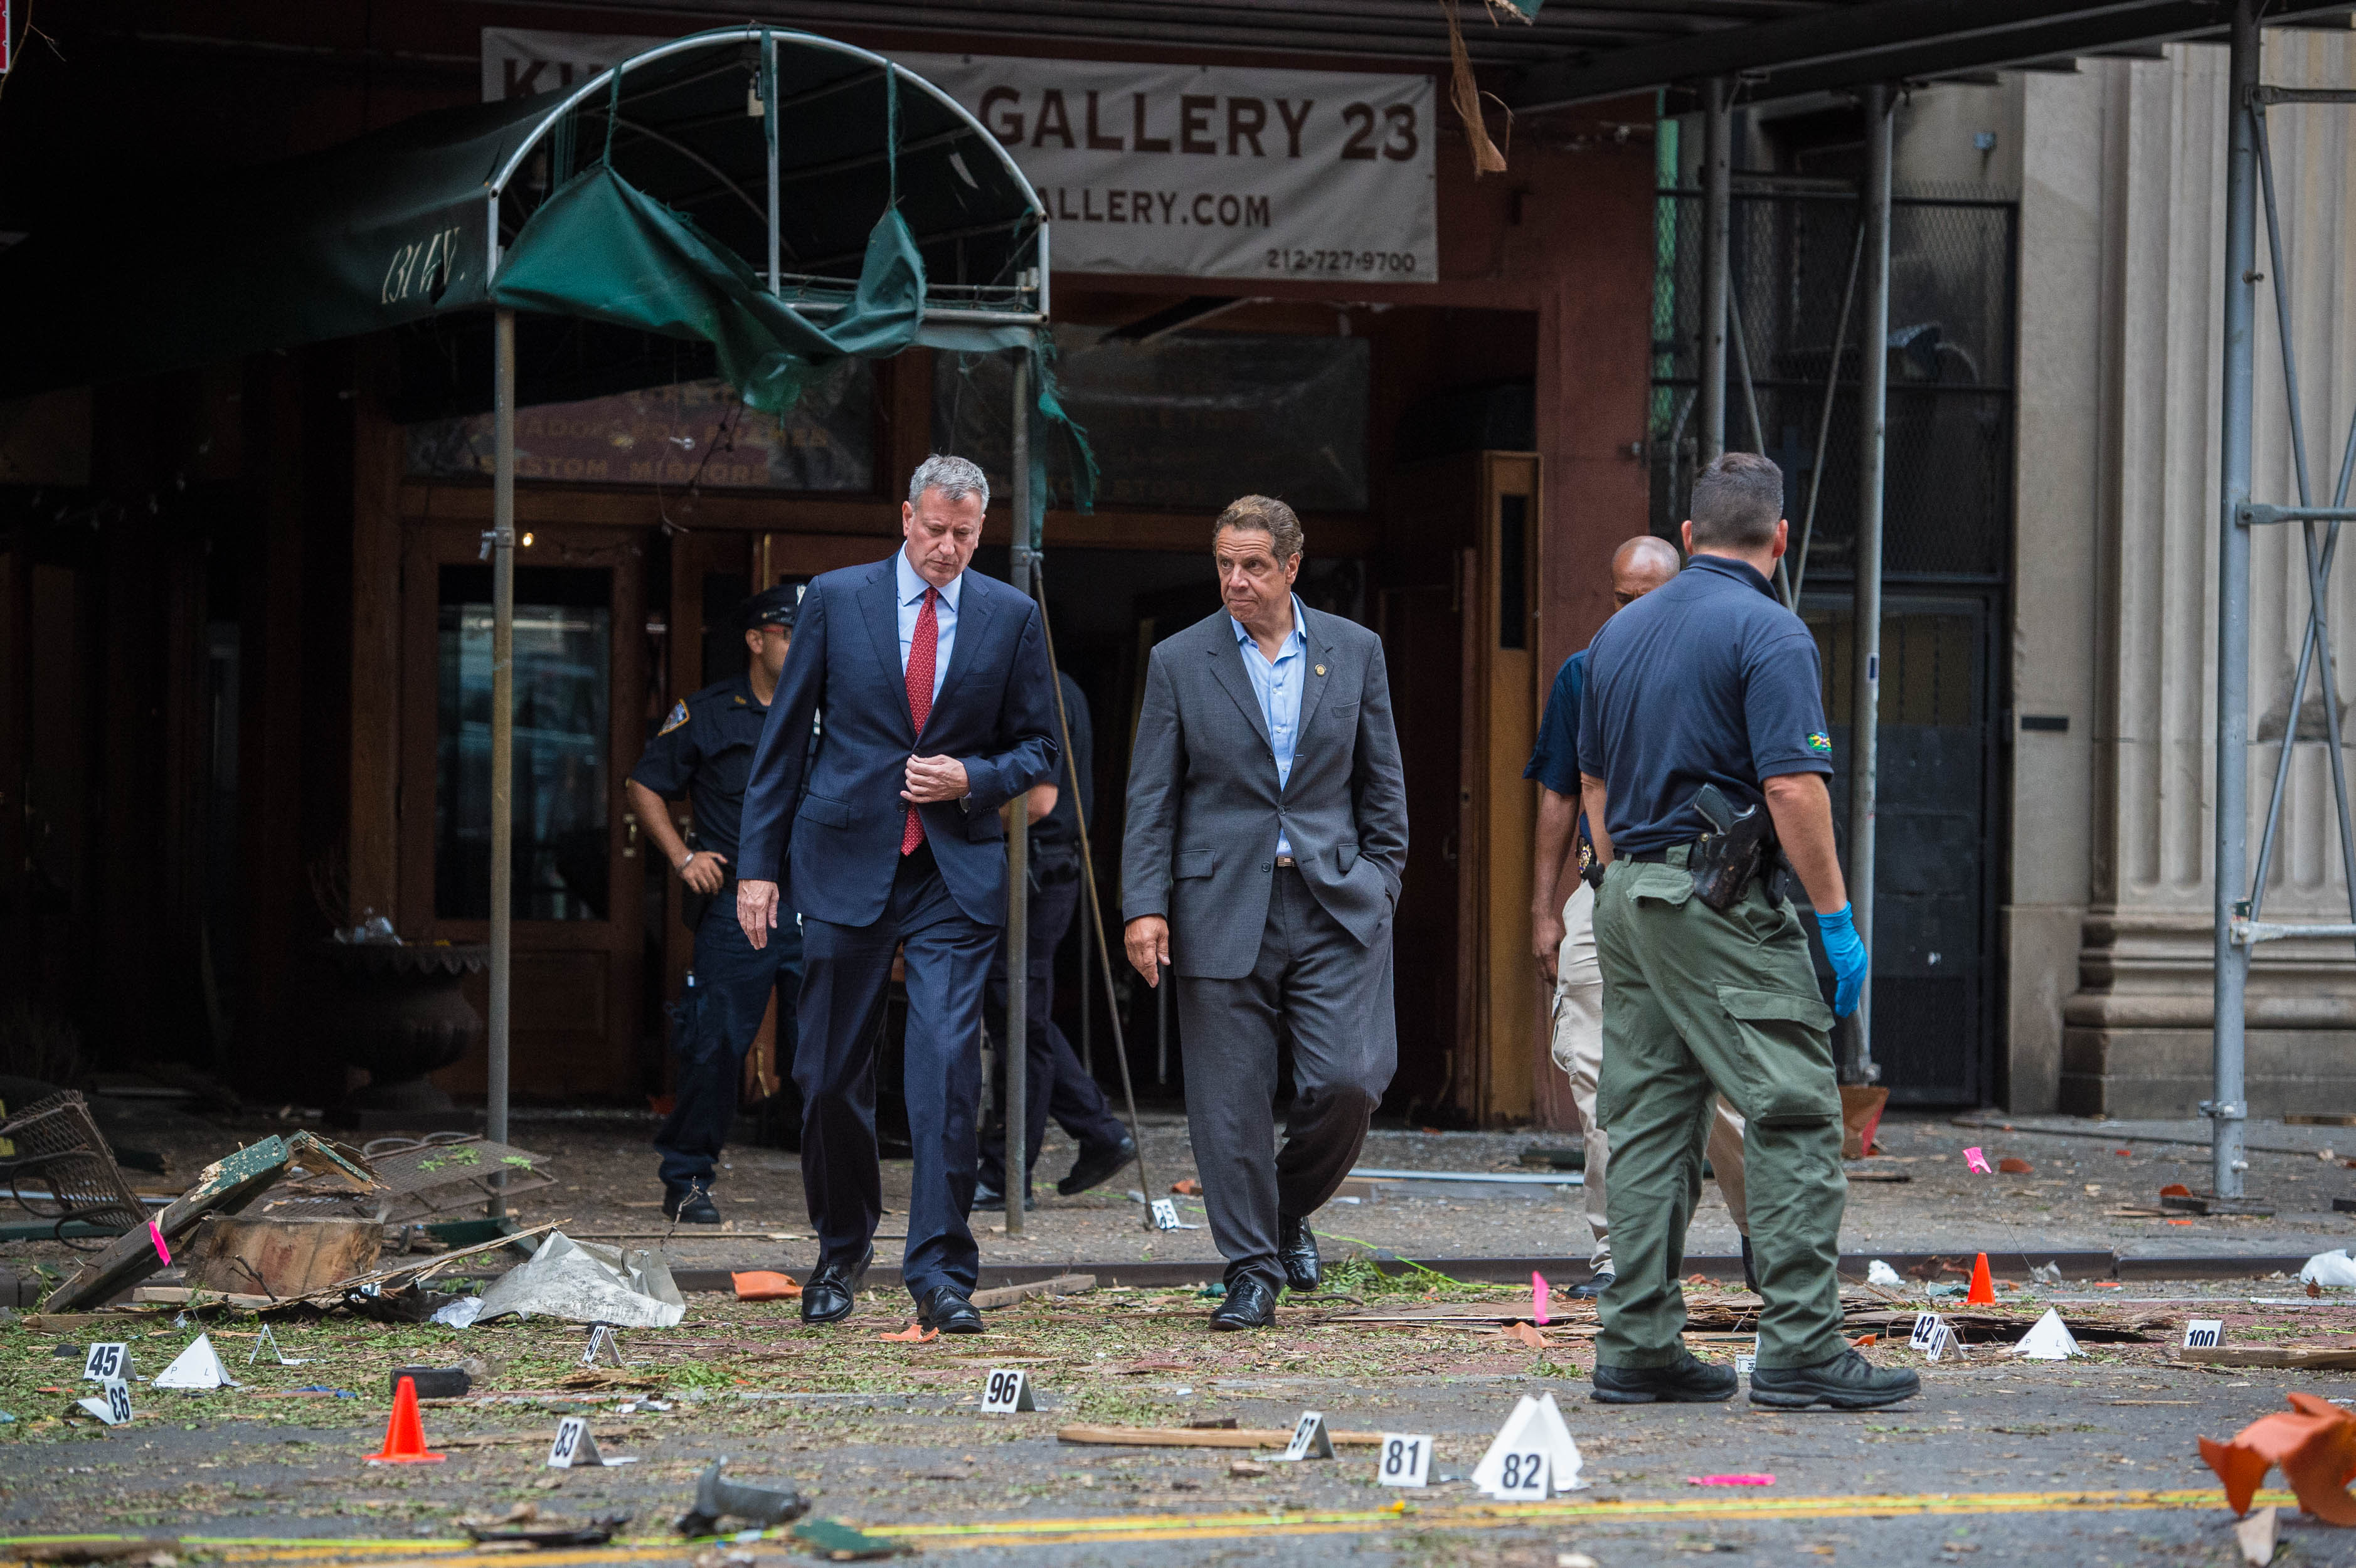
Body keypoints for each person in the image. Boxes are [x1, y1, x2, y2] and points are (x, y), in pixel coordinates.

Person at [1576, 451, 1907, 1410]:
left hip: (1628, 892)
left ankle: (1638, 1344)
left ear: (1688, 537)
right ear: (1781, 537)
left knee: (1648, 1121)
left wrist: (1628, 883)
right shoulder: (1771, 631)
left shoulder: (1618, 633)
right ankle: (1802, 1346)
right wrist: (1836, 923)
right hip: (1712, 900)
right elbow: (1793, 788)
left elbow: (1594, 782)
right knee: (1794, 1107)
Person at [735, 453, 1058, 1335]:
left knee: (947, 1068)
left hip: (953, 868)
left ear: (981, 533)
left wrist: (973, 777)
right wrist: (758, 866)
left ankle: (941, 1274)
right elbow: (784, 741)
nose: (948, 547)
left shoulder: (1011, 615)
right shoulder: (837, 599)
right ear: (907, 518)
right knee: (827, 1074)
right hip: (845, 858)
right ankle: (841, 1249)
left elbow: (1040, 749)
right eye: (935, 529)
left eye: (965, 534)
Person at [1122, 495, 1408, 1331]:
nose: (1235, 581)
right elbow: (1151, 798)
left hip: (1335, 900)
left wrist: (1382, 880)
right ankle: (1251, 1268)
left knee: (1349, 1081)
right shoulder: (1180, 660)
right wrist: (1144, 906)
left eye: (1253, 565)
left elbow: (1382, 785)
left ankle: (1283, 1209)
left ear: (1291, 565)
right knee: (1229, 1102)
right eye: (1224, 564)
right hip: (1217, 899)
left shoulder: (1355, 651)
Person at [1529, 537, 1754, 1301]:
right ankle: (1620, 1255)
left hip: (1699, 889)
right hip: (1607, 886)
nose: (1633, 613)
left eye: (1648, 599)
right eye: (1622, 599)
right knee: (1598, 1071)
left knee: (1721, 1078)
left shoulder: (1721, 665)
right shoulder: (1586, 670)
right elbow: (1564, 792)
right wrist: (1545, 909)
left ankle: (1765, 1229)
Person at [629, 585, 805, 1224]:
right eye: (789, 633)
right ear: (757, 640)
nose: (802, 644)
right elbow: (644, 784)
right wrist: (683, 857)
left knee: (829, 1053)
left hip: (815, 905)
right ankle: (687, 1180)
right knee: (716, 1045)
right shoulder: (706, 713)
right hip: (737, 906)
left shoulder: (829, 710)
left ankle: (838, 1192)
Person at [975, 669, 1138, 1210]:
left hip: (1036, 871)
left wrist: (954, 812)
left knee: (1018, 1019)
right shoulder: (1058, 684)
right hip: (1041, 870)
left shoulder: (1038, 689)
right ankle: (1099, 1132)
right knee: (1021, 1014)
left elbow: (1038, 802)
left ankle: (1007, 1174)